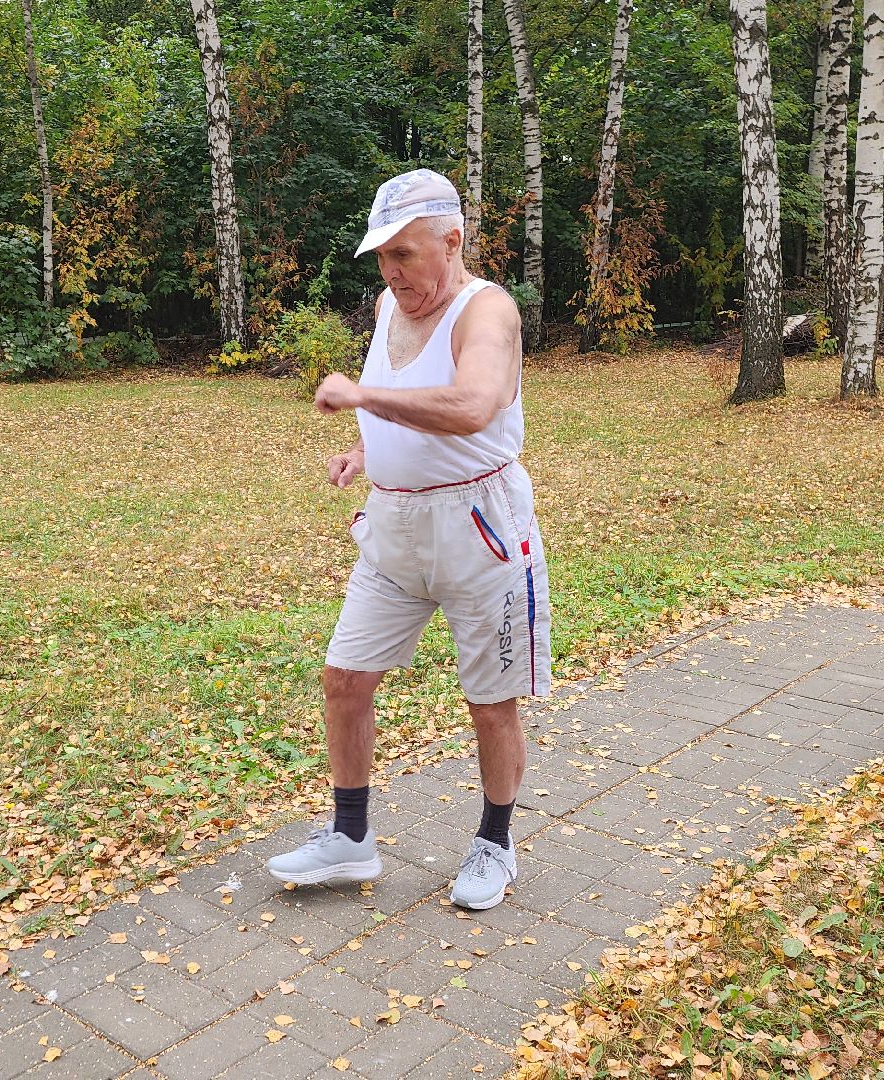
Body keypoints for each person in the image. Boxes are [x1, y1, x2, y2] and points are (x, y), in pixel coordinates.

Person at [264, 169, 551, 911]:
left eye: (406, 255)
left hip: (479, 528)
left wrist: (360, 397)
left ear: (452, 241)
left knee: (491, 699)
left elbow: (474, 403)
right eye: (382, 258)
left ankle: (495, 841)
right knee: (345, 678)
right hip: (393, 526)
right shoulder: (394, 310)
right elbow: (410, 406)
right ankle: (351, 839)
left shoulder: (485, 311)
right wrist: (366, 452)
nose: (392, 273)